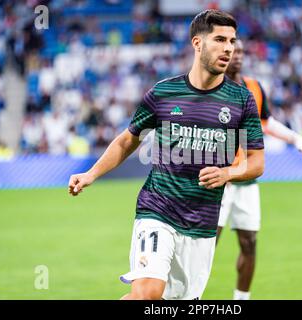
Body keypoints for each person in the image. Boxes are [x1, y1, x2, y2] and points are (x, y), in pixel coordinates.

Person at [68, 10, 265, 300]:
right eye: (220, 39)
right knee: (148, 294)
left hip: (202, 225)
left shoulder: (241, 99)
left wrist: (228, 173)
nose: (228, 48)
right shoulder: (164, 92)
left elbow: (257, 161)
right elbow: (126, 141)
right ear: (197, 43)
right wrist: (90, 174)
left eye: (232, 41)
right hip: (157, 210)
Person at [216, 39, 302, 300]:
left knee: (249, 243)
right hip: (218, 180)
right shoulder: (212, 87)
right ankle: (187, 297)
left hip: (246, 178)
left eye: (241, 52)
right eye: (232, 51)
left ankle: (241, 300)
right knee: (205, 245)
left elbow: (266, 122)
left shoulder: (254, 87)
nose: (237, 56)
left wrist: (297, 140)